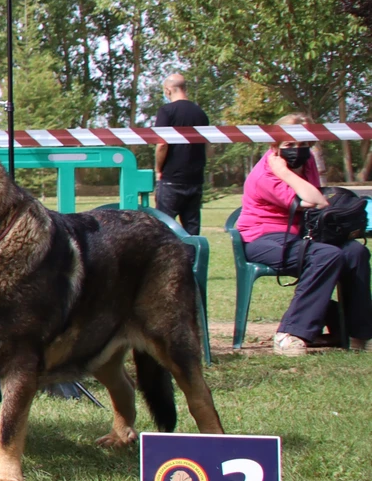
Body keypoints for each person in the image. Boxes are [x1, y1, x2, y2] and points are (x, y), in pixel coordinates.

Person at [237, 113, 371, 355]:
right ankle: (290, 333)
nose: (297, 150)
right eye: (289, 144)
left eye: (302, 144)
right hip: (262, 239)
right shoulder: (265, 174)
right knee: (326, 255)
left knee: (356, 252)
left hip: (302, 236)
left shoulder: (306, 163)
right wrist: (285, 173)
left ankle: (357, 333)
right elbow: (316, 200)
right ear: (274, 146)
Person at [152, 73, 210, 235]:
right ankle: (194, 260)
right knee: (192, 231)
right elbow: (207, 147)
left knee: (163, 229)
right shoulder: (201, 113)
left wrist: (158, 169)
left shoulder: (166, 111)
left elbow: (162, 144)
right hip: (195, 180)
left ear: (169, 90)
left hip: (172, 179)